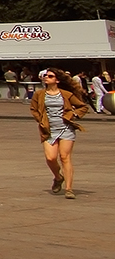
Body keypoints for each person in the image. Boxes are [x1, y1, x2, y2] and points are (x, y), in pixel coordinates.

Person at [32, 68, 89, 199]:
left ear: (57, 80)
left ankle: (69, 189)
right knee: (50, 158)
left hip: (66, 128)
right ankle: (58, 177)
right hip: (48, 130)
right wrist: (40, 120)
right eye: (45, 76)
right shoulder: (39, 94)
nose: (46, 77)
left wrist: (74, 115)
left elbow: (83, 107)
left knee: (65, 157)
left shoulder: (66, 94)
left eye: (50, 76)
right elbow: (34, 109)